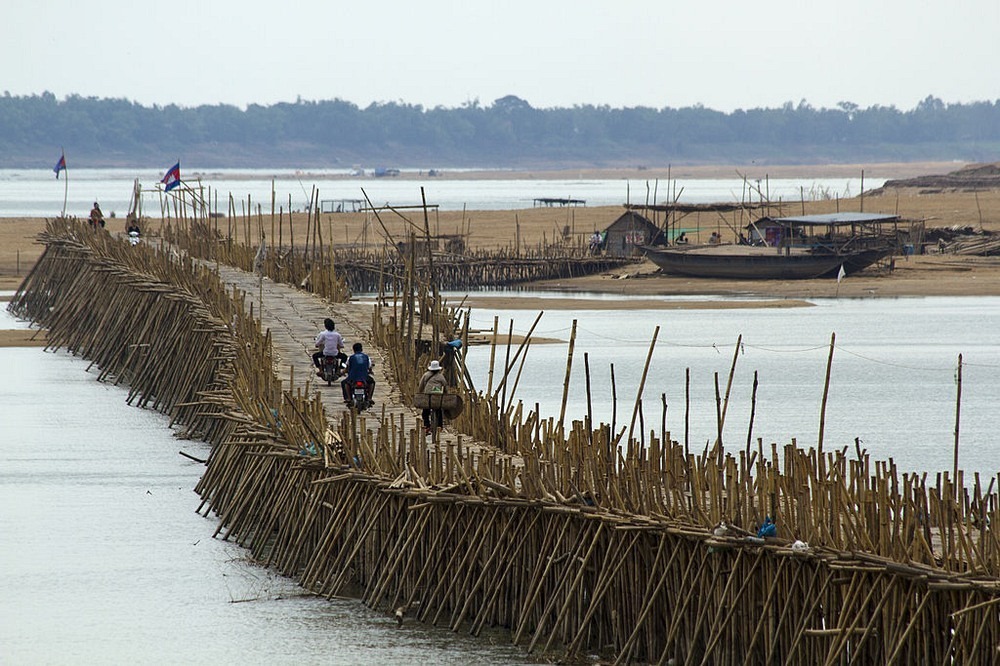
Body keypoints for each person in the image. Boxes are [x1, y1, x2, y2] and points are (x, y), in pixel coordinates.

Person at [418, 359, 447, 433]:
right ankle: (440, 426)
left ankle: (427, 426)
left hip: (427, 396)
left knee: (425, 412)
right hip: (437, 396)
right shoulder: (441, 376)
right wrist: (446, 393)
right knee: (439, 411)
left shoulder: (426, 375)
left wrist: (420, 392)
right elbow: (445, 385)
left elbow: (421, 386)